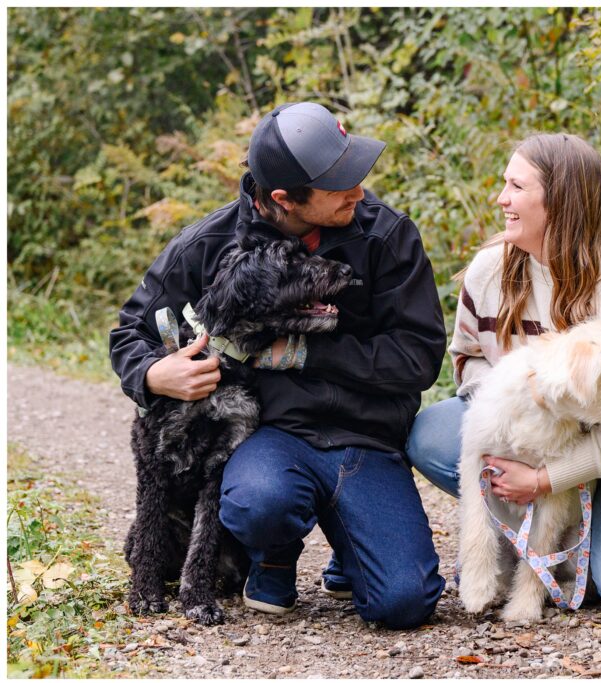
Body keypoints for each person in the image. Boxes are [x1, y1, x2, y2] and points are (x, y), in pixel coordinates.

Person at [110, 102, 447, 629]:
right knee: (257, 502)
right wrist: (153, 374)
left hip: (366, 437)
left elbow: (420, 357)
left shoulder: (388, 236)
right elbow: (130, 330)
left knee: (403, 603)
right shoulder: (209, 243)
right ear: (284, 199)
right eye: (340, 187)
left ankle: (351, 549)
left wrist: (309, 353)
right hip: (272, 439)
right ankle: (274, 552)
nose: (359, 194)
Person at [406, 133, 601, 613]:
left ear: (561, 200)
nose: (501, 199)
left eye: (516, 187)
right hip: (543, 431)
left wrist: (548, 478)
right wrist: (527, 411)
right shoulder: (489, 270)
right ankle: (530, 536)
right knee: (432, 433)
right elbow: (468, 358)